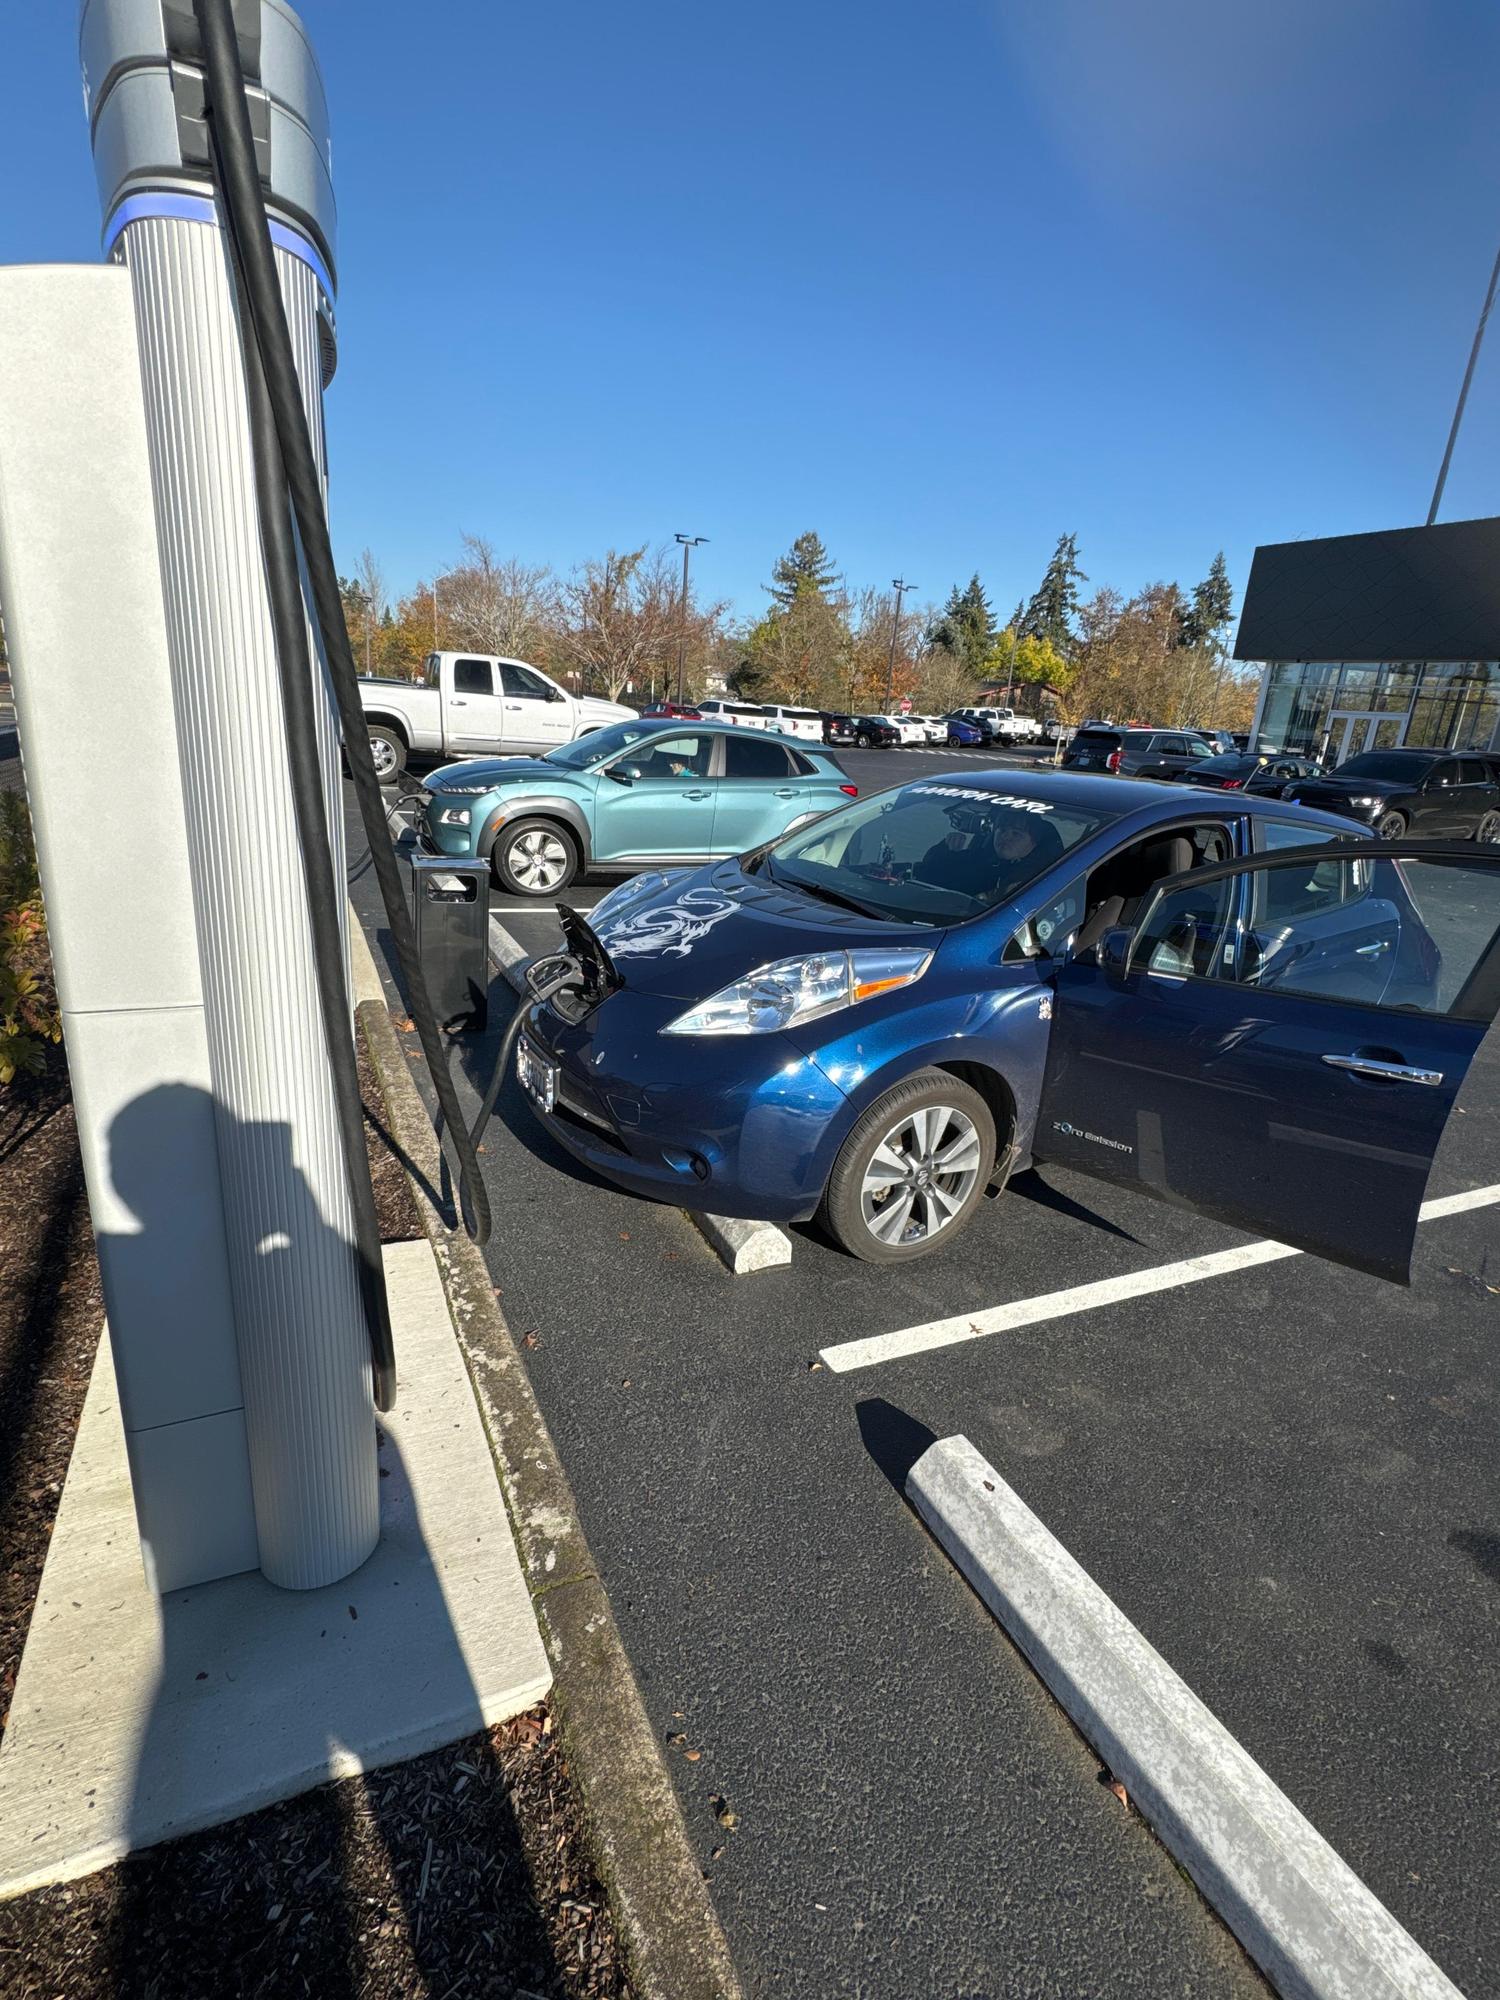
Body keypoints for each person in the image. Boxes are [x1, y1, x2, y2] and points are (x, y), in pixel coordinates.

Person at [917, 809, 1063, 902]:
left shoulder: (1039, 880)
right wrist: (945, 849)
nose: (1006, 837)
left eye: (1016, 834)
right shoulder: (976, 859)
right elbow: (925, 875)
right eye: (1002, 830)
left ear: (1034, 843)